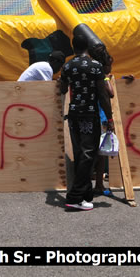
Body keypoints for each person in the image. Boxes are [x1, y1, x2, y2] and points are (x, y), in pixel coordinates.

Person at [57, 34, 113, 211]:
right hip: (90, 115)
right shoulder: (96, 66)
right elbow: (103, 95)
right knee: (89, 155)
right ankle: (74, 197)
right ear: (87, 47)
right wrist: (110, 117)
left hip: (74, 115)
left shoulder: (67, 66)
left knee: (80, 154)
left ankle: (85, 196)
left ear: (73, 47)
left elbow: (63, 88)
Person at [88, 44, 114, 196]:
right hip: (101, 117)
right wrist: (107, 78)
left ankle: (93, 180)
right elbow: (110, 93)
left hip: (91, 115)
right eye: (109, 66)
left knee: (92, 151)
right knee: (101, 153)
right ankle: (98, 184)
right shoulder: (102, 77)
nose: (110, 69)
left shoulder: (89, 74)